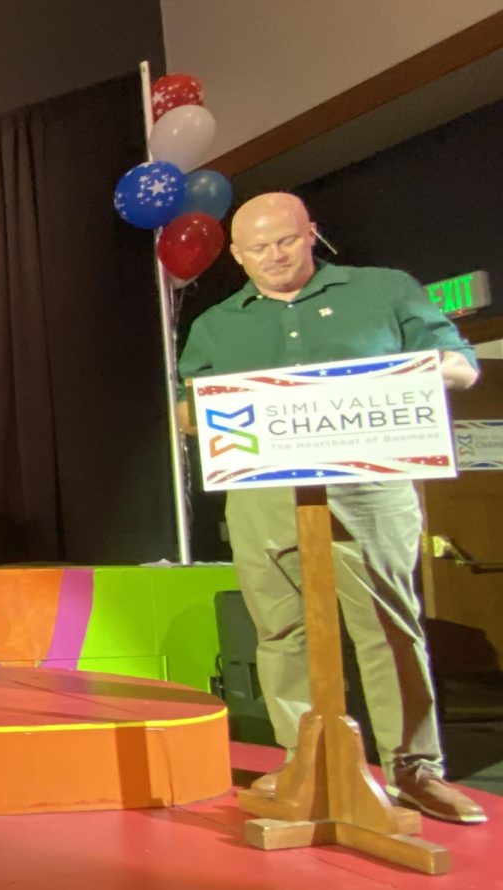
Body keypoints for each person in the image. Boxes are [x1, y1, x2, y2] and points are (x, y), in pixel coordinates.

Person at [176, 192, 485, 825]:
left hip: (369, 491)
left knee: (388, 627)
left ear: (311, 233)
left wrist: (410, 375)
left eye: (285, 241)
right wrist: (202, 412)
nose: (274, 257)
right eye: (257, 249)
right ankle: (303, 758)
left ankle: (414, 769)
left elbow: (461, 366)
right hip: (263, 496)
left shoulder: (384, 290)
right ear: (236, 256)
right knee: (281, 632)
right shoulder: (217, 324)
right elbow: (187, 411)